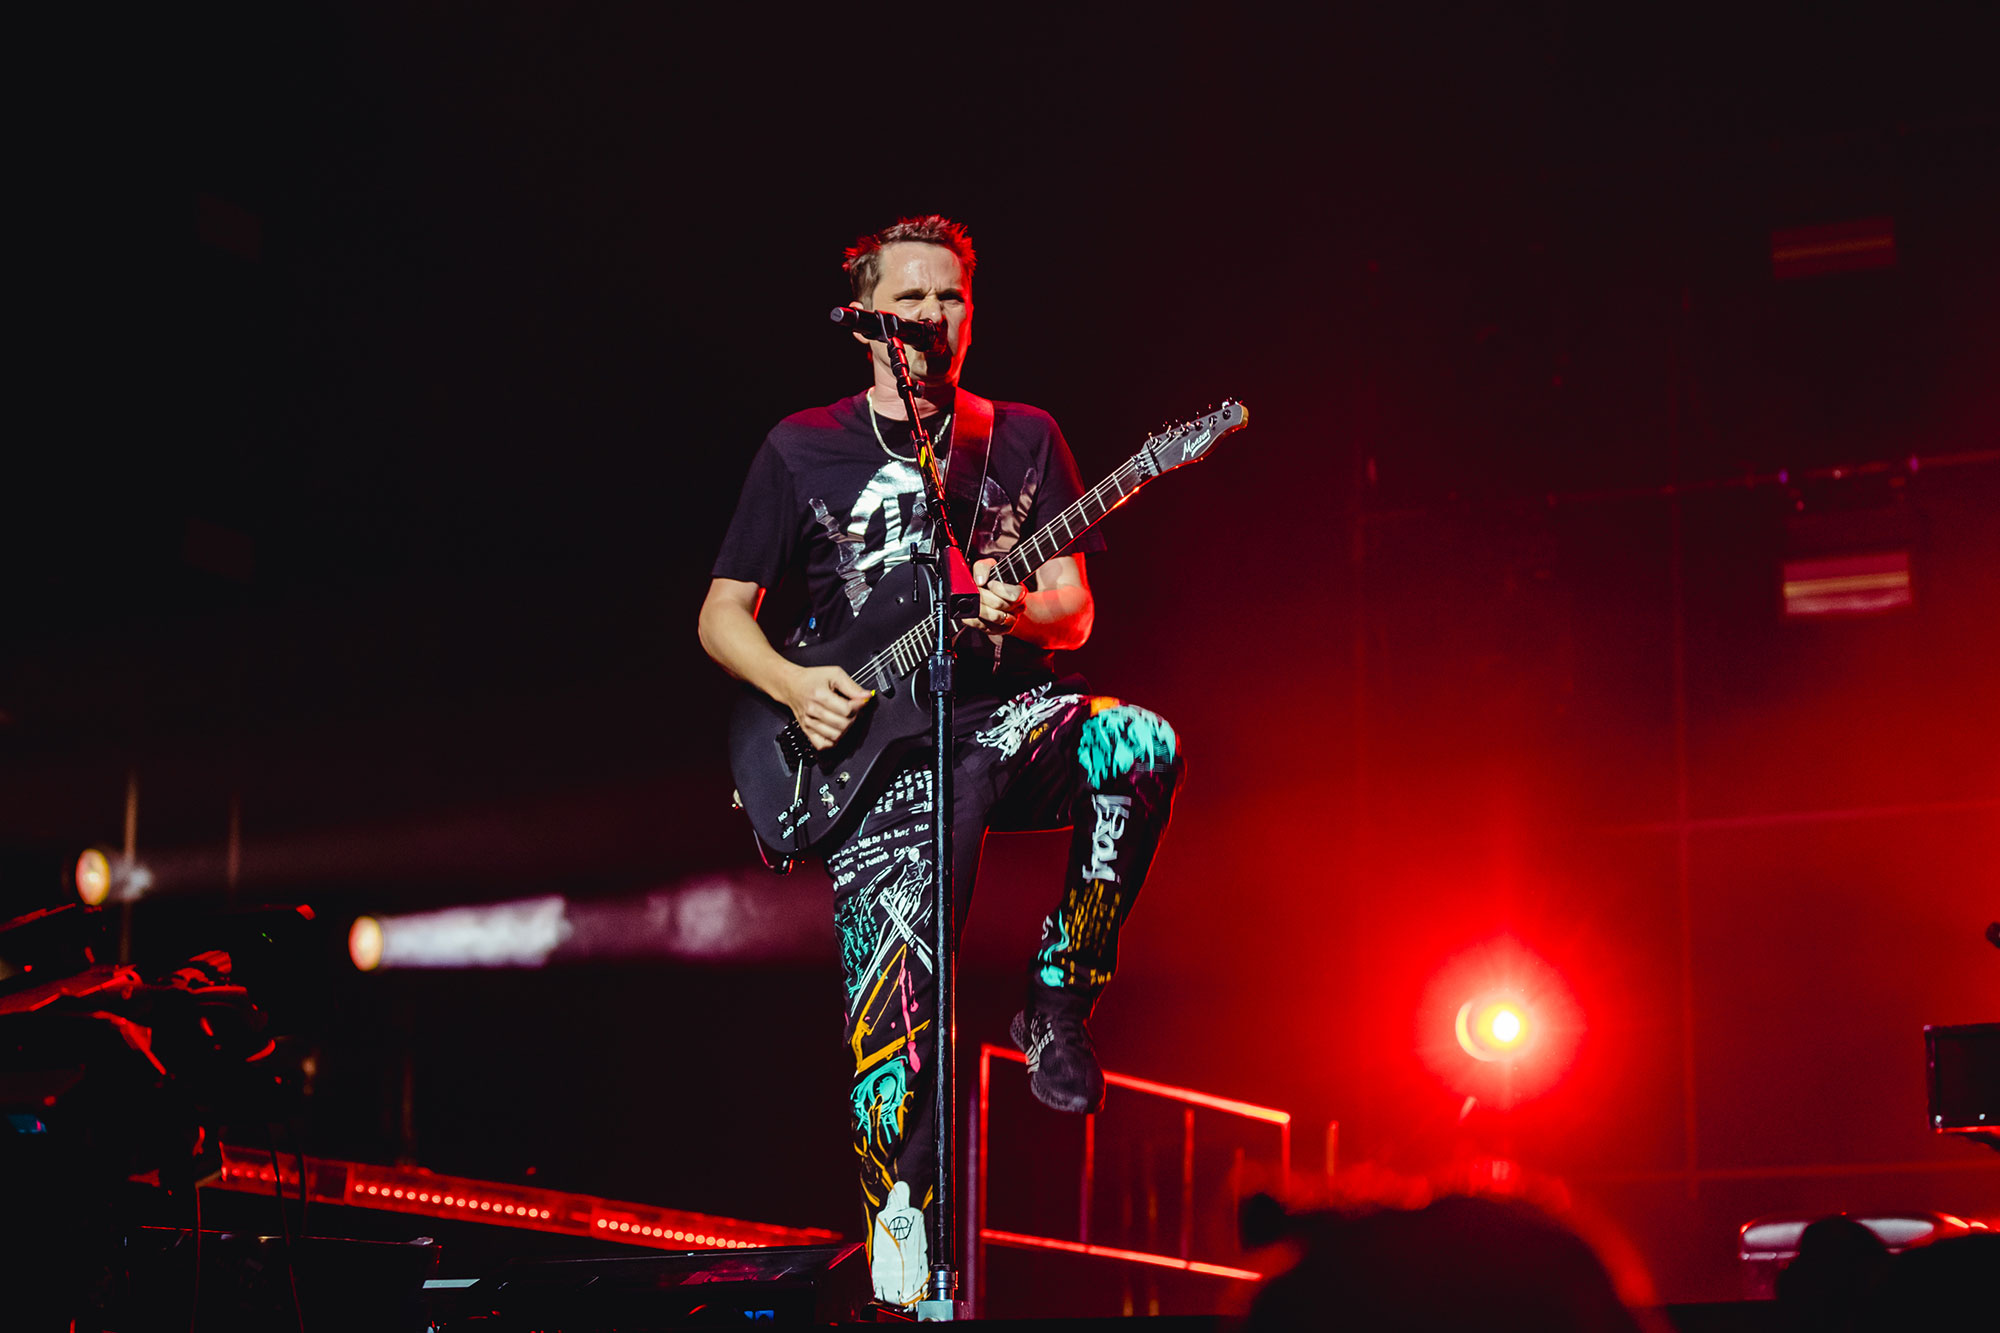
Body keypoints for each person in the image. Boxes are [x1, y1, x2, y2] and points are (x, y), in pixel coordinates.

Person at [698, 215, 1185, 1306]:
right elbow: (721, 615)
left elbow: (1072, 610)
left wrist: (1020, 610)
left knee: (1138, 740)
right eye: (910, 297)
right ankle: (905, 1286)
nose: (932, 314)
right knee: (896, 1042)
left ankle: (1059, 996)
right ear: (866, 319)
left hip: (1000, 716)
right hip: (872, 758)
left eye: (951, 297)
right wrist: (796, 688)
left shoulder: (1020, 436)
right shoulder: (800, 448)